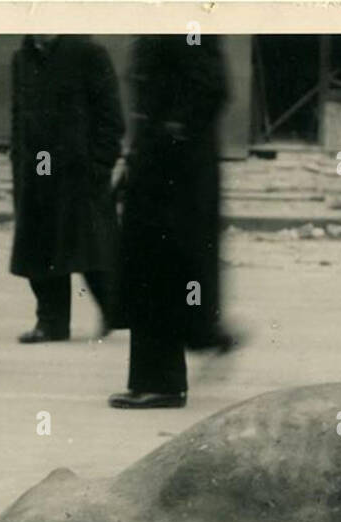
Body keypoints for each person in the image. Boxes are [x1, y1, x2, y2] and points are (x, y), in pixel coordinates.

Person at [109, 34, 236, 409]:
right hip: (156, 166)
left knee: (161, 274)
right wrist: (135, 157)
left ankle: (163, 381)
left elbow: (211, 89)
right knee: (155, 273)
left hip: (175, 174)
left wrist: (171, 133)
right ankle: (194, 345)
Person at [9, 34, 124, 343]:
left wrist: (100, 165)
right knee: (41, 248)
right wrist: (18, 165)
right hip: (36, 171)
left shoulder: (88, 53)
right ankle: (51, 322)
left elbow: (110, 117)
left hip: (79, 172)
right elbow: (18, 116)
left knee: (93, 250)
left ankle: (117, 311)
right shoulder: (23, 58)